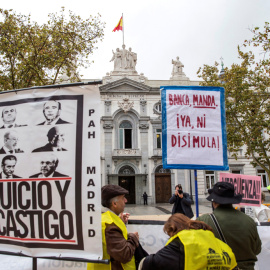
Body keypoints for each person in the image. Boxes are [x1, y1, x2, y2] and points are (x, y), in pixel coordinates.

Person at [197, 182, 261, 270]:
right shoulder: (249, 221)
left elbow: (196, 250)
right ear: (232, 201)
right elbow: (257, 249)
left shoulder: (203, 221)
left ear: (214, 202)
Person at [139, 213, 237, 270]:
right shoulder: (215, 241)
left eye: (169, 235)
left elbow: (149, 262)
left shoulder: (181, 242)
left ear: (173, 229)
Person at [88, 184, 139, 270]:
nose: (126, 200)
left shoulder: (103, 218)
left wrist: (120, 222)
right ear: (114, 204)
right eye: (123, 198)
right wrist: (133, 238)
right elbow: (124, 255)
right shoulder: (109, 225)